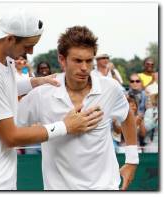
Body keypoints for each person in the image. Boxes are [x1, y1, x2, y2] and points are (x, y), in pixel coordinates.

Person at [0, 10, 103, 190]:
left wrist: (34, 82)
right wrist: (65, 126)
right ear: (10, 39)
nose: (30, 51)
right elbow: (11, 137)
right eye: (27, 45)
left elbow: (2, 87)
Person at [18, 26, 139, 190]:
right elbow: (13, 131)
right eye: (78, 60)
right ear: (62, 60)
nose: (84, 68)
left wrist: (132, 160)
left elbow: (127, 116)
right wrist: (62, 128)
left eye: (89, 61)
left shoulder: (111, 88)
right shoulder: (42, 95)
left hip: (106, 188)